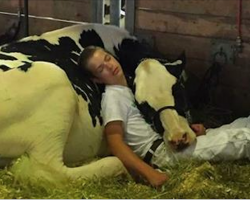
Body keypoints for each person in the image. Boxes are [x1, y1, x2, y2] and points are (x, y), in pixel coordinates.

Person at [78, 46, 250, 187]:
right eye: (101, 69)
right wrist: (150, 173)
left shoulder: (132, 87)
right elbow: (114, 141)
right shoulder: (113, 98)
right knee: (241, 140)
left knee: (243, 123)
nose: (109, 66)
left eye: (107, 58)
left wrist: (188, 130)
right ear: (97, 80)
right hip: (160, 154)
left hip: (170, 142)